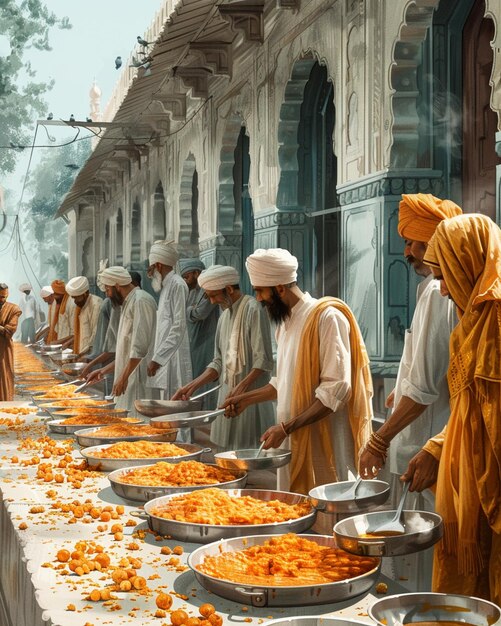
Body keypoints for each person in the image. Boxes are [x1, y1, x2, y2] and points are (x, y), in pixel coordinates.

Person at [358, 193, 462, 590]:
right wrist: (397, 390)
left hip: (430, 445)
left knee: (424, 544)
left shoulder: (442, 294)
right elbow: (417, 367)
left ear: (438, 243)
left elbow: (424, 387)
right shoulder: (430, 290)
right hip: (415, 438)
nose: (407, 252)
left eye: (415, 243)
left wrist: (379, 440)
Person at [401, 214, 501, 604]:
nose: (442, 291)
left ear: (469, 266)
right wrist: (438, 447)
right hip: (471, 485)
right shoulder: (470, 324)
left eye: (445, 277)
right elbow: (469, 410)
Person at [223, 248, 373, 495]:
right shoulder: (284, 325)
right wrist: (245, 400)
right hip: (290, 439)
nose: (258, 299)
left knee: (325, 513)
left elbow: (335, 392)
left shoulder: (326, 318)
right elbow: (282, 383)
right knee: (294, 510)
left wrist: (287, 428)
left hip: (324, 443)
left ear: (280, 288)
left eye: (261, 291)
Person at [172, 265, 275, 451]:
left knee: (249, 454)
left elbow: (264, 360)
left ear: (228, 289)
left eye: (213, 295)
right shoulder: (224, 317)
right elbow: (218, 363)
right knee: (227, 456)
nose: (211, 302)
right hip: (229, 395)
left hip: (249, 396)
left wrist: (240, 390)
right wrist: (191, 386)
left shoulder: (253, 308)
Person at [86, 267, 157, 416]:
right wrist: (103, 370)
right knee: (126, 424)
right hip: (127, 377)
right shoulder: (127, 302)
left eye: (107, 289)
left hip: (136, 379)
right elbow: (125, 351)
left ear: (117, 285)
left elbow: (140, 348)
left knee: (137, 423)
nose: (106, 293)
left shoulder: (141, 301)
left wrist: (123, 377)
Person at [146, 241, 192, 401]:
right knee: (166, 405)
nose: (149, 272)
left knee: (177, 406)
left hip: (175, 356)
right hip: (165, 356)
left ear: (158, 265)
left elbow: (178, 326)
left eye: (151, 267)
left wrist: (158, 358)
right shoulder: (166, 286)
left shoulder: (178, 284)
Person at [178, 258, 219, 380]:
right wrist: (191, 309)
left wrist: (188, 310)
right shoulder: (191, 291)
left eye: (187, 277)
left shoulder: (208, 288)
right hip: (194, 341)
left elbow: (200, 313)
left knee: (206, 377)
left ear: (196, 273)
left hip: (207, 340)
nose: (185, 281)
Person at [65, 276, 103, 356]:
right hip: (82, 353)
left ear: (86, 293)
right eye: (73, 298)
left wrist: (83, 355)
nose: (75, 301)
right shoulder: (80, 307)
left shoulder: (96, 304)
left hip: (92, 356)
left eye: (77, 298)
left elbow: (95, 336)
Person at [0, 284, 21, 401]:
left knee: (4, 376)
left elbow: (10, 330)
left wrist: (2, 329)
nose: (2, 300)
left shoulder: (14, 309)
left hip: (3, 349)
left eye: (4, 297)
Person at [47, 279, 75, 346]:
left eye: (57, 295)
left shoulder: (72, 304)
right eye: (54, 294)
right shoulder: (56, 303)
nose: (55, 297)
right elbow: (54, 327)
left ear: (63, 294)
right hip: (59, 344)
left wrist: (59, 343)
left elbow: (74, 333)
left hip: (70, 346)